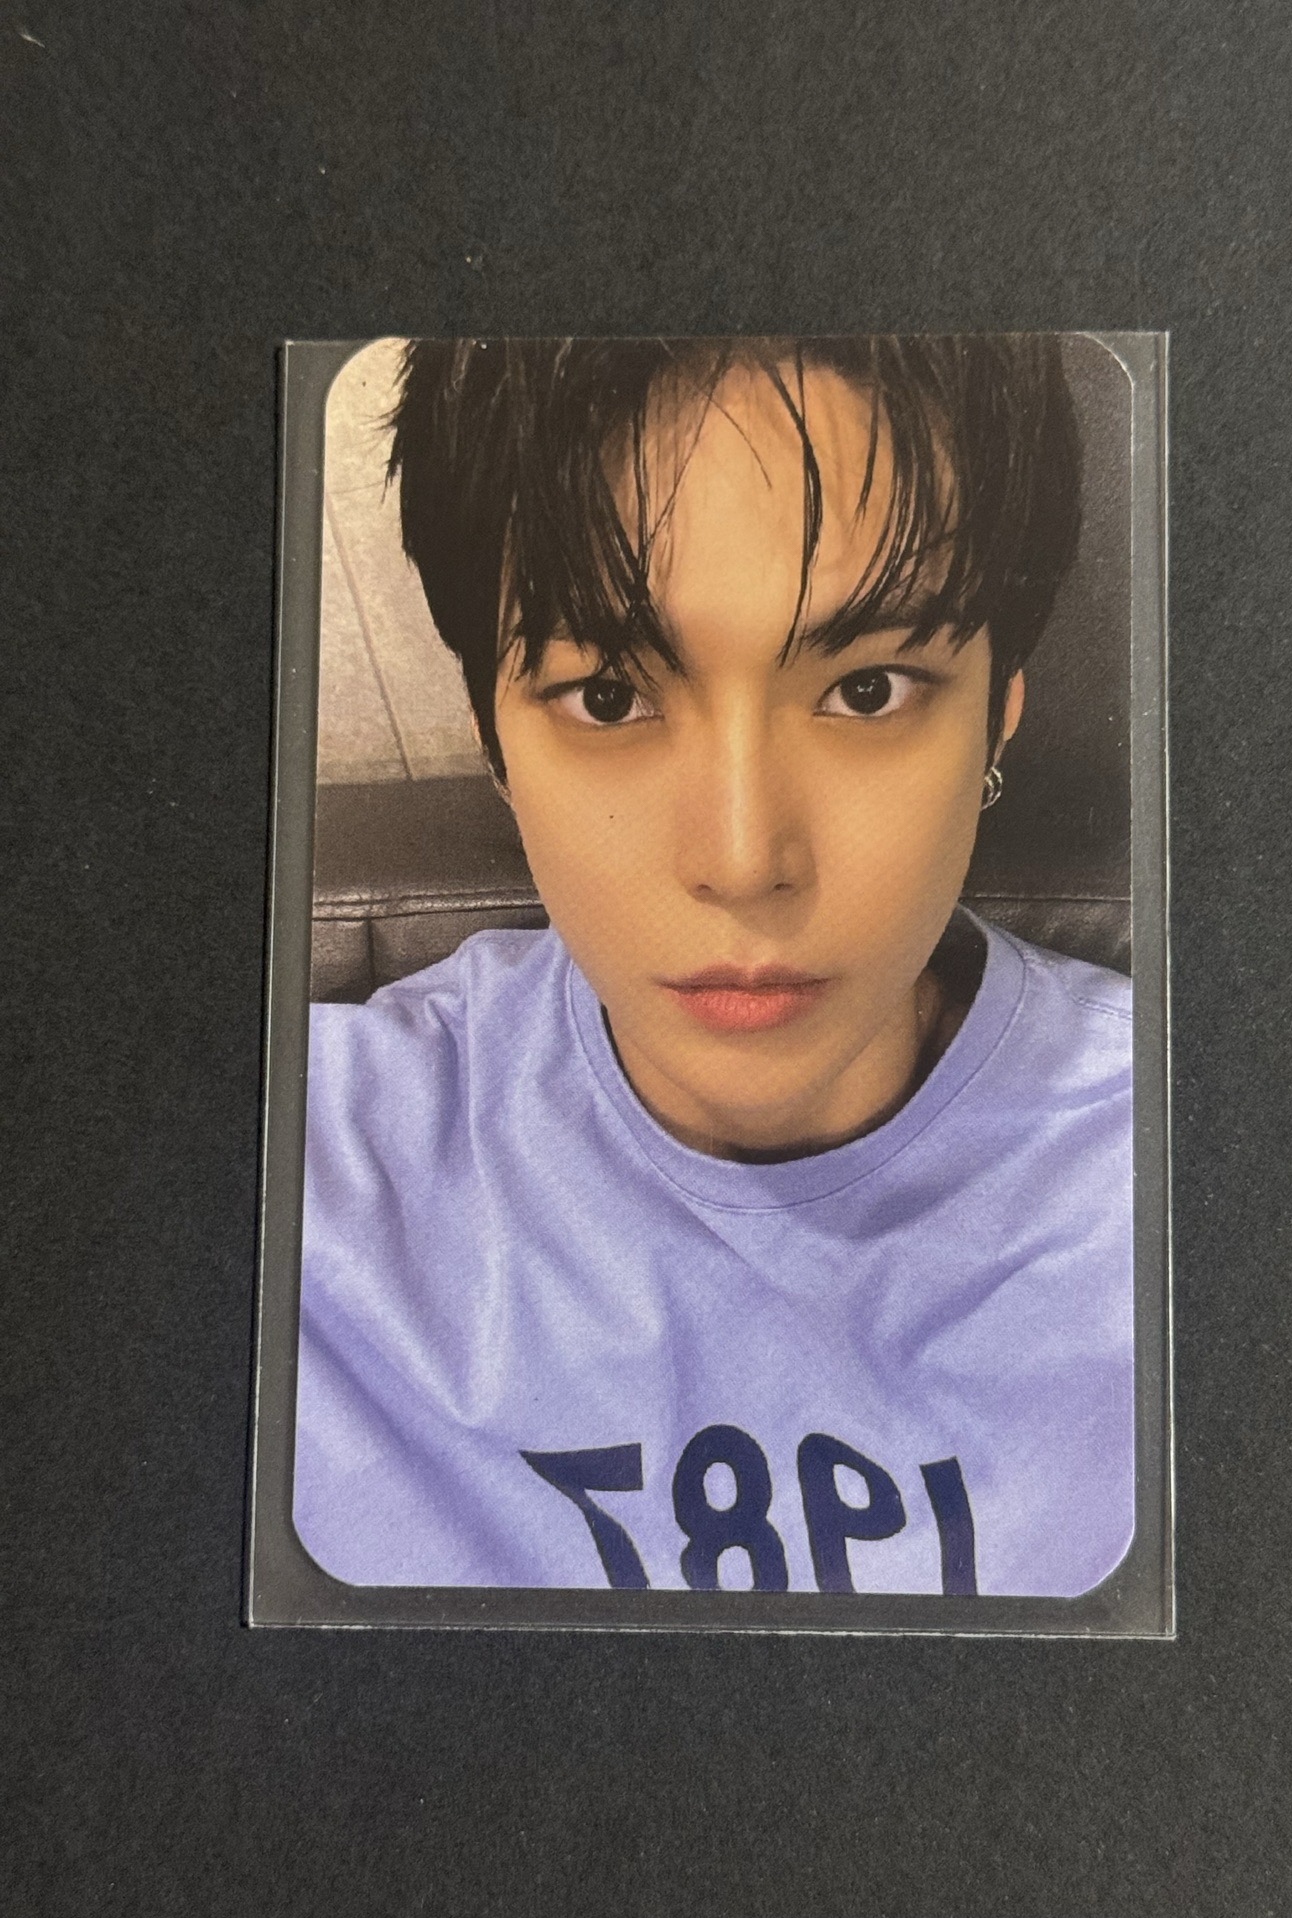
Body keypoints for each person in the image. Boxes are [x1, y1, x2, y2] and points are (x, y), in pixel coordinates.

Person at [293, 336, 1134, 1598]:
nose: (742, 862)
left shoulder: (1175, 1171)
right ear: (496, 746)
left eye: (869, 689)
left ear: (995, 721)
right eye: (608, 697)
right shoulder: (310, 1187)